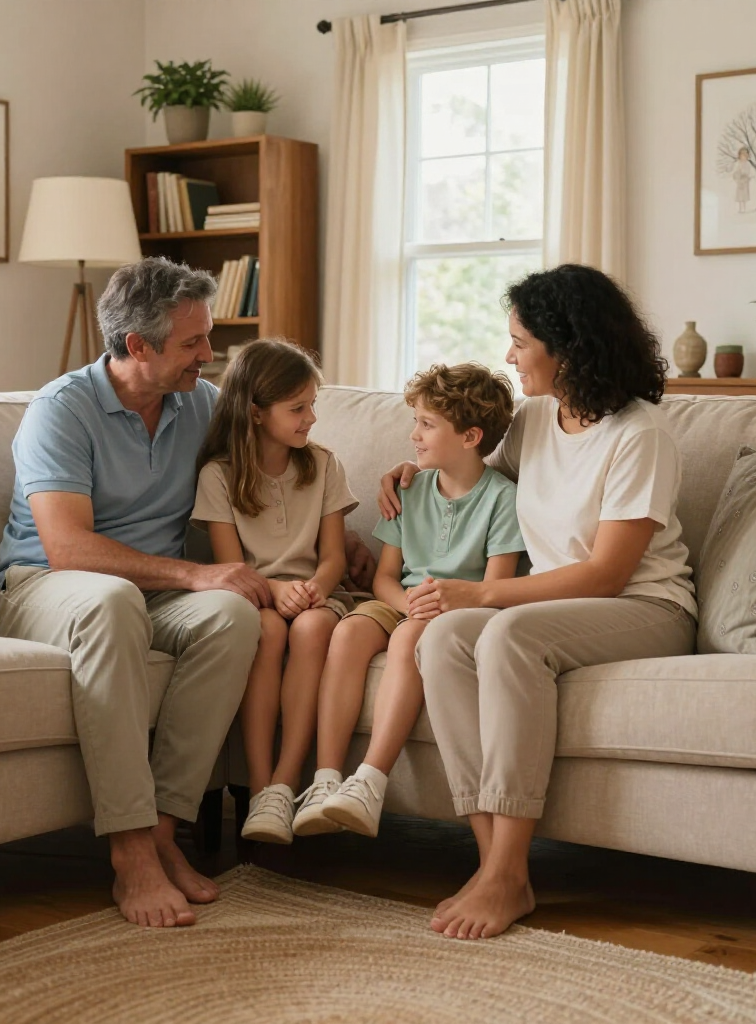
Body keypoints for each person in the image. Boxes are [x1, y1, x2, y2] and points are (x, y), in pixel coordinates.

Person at [378, 264, 697, 941]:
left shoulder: (639, 435)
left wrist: (486, 592)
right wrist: (418, 470)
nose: (509, 356)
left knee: (504, 635)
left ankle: (506, 870)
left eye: (521, 341)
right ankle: (496, 860)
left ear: (569, 346)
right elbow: (473, 478)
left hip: (646, 609)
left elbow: (608, 573)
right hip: (553, 608)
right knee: (442, 638)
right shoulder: (532, 421)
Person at [0, 257, 272, 930]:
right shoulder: (63, 409)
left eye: (207, 337)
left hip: (147, 589)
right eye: (193, 343)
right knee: (115, 599)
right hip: (42, 587)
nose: (210, 354)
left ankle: (167, 830)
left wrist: (387, 493)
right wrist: (195, 574)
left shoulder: (198, 401)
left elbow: (280, 465)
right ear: (137, 346)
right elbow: (68, 549)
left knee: (233, 615)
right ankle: (130, 849)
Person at [293, 363, 525, 840]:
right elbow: (383, 577)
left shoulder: (503, 499)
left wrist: (426, 611)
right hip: (402, 601)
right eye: (415, 420)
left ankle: (370, 781)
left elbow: (495, 586)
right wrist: (403, 603)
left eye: (426, 423)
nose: (413, 434)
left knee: (411, 639)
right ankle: (326, 780)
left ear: (470, 436)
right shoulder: (408, 488)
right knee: (350, 630)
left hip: (459, 611)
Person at [191, 339, 358, 845]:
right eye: (298, 408)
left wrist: (313, 589)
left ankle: (284, 785)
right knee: (262, 629)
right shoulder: (218, 476)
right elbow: (230, 564)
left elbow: (333, 558)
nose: (310, 418)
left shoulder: (323, 464)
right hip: (251, 594)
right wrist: (271, 588)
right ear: (256, 413)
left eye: (312, 406)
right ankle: (260, 788)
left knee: (311, 629)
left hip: (316, 596)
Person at [733, 147, 752, 213]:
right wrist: (738, 176)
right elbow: (735, 172)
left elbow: (748, 172)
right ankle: (740, 208)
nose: (743, 157)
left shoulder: (747, 164)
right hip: (739, 181)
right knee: (740, 195)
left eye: (745, 155)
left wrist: (746, 176)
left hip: (745, 181)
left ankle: (744, 208)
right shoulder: (738, 163)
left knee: (744, 195)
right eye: (742, 155)